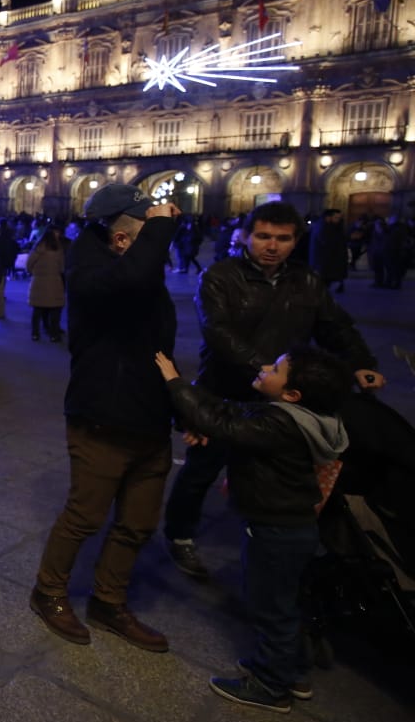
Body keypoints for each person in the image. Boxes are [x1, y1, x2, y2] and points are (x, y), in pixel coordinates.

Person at [161, 201, 381, 580]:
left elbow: (336, 326)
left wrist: (361, 361)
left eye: (282, 238)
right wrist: (263, 369)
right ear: (246, 236)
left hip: (284, 400)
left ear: (296, 241)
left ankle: (264, 534)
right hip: (225, 390)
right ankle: (179, 534)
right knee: (201, 470)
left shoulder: (307, 281)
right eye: (263, 236)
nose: (272, 246)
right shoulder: (220, 276)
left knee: (273, 472)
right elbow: (218, 332)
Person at [157, 345, 350, 713]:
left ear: (292, 394)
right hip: (294, 527)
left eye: (275, 369)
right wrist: (206, 423)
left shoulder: (282, 423)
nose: (264, 367)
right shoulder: (304, 417)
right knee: (283, 603)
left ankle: (270, 684)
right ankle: (292, 670)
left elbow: (224, 422)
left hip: (275, 530)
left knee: (269, 607)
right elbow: (236, 416)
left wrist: (176, 384)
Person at [30, 183, 179, 652]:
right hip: (103, 417)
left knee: (138, 522)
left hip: (150, 420)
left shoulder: (140, 274)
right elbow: (129, 283)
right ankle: (49, 591)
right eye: (150, 235)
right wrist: (159, 228)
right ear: (122, 241)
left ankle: (108, 599)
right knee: (85, 515)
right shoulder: (93, 274)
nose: (161, 246)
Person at [26, 227, 66, 343]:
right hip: (54, 282)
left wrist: (33, 272)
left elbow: (29, 264)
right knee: (54, 310)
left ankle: (35, 333)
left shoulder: (37, 249)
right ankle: (53, 334)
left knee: (37, 310)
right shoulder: (58, 250)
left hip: (38, 282)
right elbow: (62, 267)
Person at [308, 209, 348, 293]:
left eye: (339, 218)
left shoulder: (332, 227)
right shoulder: (323, 227)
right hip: (324, 262)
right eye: (336, 217)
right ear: (328, 218)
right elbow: (327, 243)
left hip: (329, 262)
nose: (338, 220)